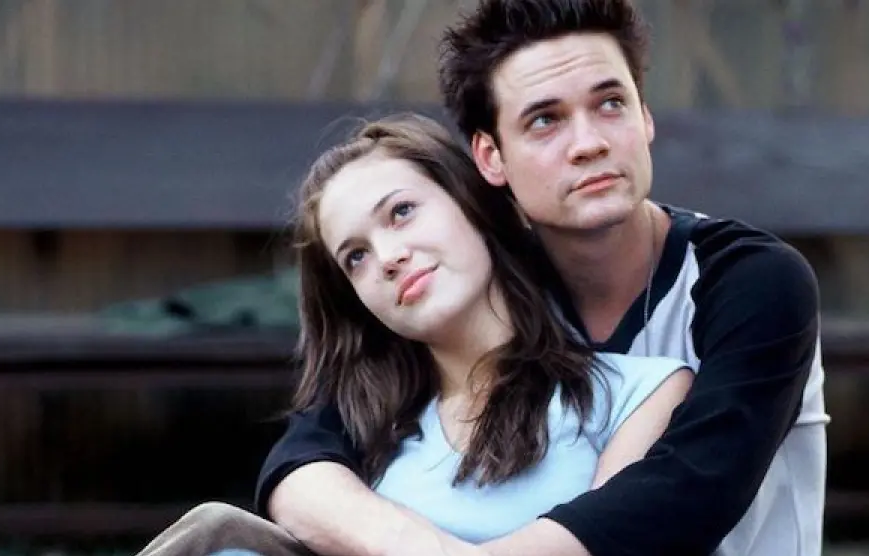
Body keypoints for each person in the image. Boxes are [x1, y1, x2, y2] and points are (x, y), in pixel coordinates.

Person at [256, 1, 830, 555]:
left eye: (611, 104)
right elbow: (305, 456)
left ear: (646, 116)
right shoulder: (484, 283)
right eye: (545, 120)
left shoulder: (750, 281)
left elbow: (686, 495)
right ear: (490, 157)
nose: (589, 144)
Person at [135, 114, 693, 556]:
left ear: (469, 203)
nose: (388, 257)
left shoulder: (640, 391)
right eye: (356, 256)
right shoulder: (368, 433)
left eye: (401, 212)